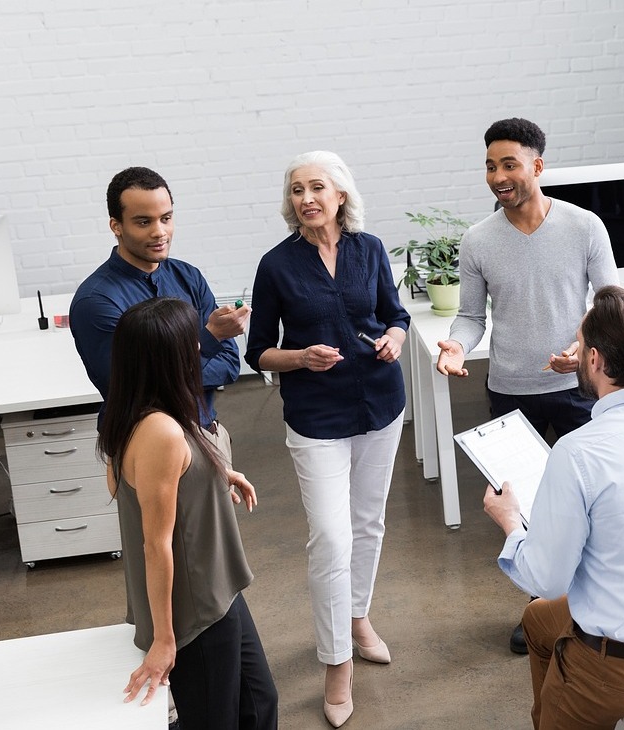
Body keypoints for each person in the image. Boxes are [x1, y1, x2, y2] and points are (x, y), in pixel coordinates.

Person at [483, 285, 624, 730]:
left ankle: (567, 704)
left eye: (581, 343)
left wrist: (511, 522)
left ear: (594, 360)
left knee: (544, 603)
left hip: (619, 670)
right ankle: (554, 701)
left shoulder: (576, 453)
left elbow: (547, 578)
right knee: (536, 621)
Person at [436, 117, 619, 654]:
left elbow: (609, 302)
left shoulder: (584, 227)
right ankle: (540, 610)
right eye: (491, 166)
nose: (498, 176)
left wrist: (582, 345)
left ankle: (591, 605)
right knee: (527, 509)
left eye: (509, 164)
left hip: (576, 389)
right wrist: (455, 344)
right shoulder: (477, 240)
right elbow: (471, 317)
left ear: (537, 166)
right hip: (510, 391)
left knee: (587, 502)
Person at [244, 151, 409, 728]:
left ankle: (358, 616)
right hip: (316, 417)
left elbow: (397, 314)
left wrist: (393, 336)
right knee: (332, 540)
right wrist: (300, 358)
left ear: (341, 194)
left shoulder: (369, 249)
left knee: (368, 524)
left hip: (381, 405)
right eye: (296, 190)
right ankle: (337, 664)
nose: (306, 198)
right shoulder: (277, 265)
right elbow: (256, 349)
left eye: (317, 187)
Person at [97, 297, 277, 729]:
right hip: (194, 606)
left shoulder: (143, 412)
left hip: (219, 586)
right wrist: (163, 639)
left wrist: (219, 477)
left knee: (258, 702)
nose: (198, 350)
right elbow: (155, 544)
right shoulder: (160, 431)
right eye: (189, 345)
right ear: (167, 359)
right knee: (215, 720)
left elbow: (171, 477)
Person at [71, 166, 250, 440]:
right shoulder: (96, 301)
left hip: (208, 434)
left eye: (166, 218)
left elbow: (228, 366)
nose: (160, 232)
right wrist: (210, 338)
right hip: (144, 447)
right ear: (116, 225)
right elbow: (136, 391)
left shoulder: (188, 277)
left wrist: (168, 373)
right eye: (144, 222)